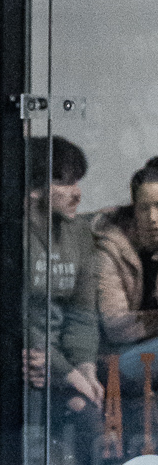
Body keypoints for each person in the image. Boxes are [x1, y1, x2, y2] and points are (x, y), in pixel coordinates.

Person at [25, 137, 102, 465]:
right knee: (42, 396)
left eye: (77, 181)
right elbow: (20, 318)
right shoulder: (16, 233)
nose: (77, 193)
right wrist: (67, 372)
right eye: (64, 182)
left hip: (60, 361)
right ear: (35, 189)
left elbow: (83, 312)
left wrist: (85, 367)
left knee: (86, 406)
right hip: (31, 357)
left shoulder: (79, 233)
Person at [94, 156, 158, 386]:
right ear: (134, 209)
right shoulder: (109, 247)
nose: (152, 218)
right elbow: (115, 326)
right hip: (113, 358)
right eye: (144, 208)